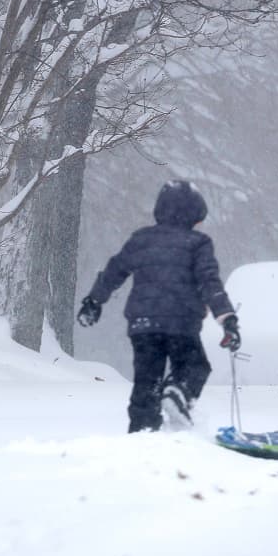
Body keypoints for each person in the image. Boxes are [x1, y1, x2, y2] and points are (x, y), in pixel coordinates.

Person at [77, 179, 241, 433]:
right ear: (196, 214)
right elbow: (209, 282)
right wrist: (227, 318)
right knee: (195, 367)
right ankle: (178, 393)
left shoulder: (141, 239)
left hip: (143, 325)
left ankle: (143, 432)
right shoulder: (198, 243)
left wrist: (94, 301)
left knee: (147, 382)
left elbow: (114, 271)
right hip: (181, 322)